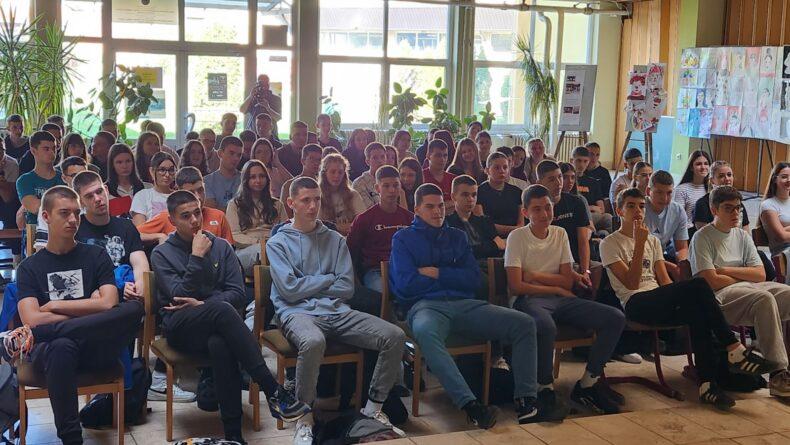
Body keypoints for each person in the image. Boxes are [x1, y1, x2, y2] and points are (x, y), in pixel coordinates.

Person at [151, 190, 308, 444]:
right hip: (181, 328)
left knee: (221, 344)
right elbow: (179, 296)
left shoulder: (221, 246)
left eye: (197, 212)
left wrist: (203, 304)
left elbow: (238, 294)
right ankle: (272, 389)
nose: (194, 220)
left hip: (219, 326)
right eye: (185, 216)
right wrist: (196, 256)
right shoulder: (162, 253)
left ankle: (234, 435)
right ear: (172, 220)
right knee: (223, 310)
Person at [600, 187, 774, 410]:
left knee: (697, 311)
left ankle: (707, 385)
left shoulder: (652, 241)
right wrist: (639, 245)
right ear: (619, 210)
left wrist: (680, 295)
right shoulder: (610, 243)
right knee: (699, 284)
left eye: (642, 206)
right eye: (631, 206)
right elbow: (632, 283)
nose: (638, 212)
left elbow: (664, 280)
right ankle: (734, 348)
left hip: (657, 297)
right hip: (635, 303)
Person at [389, 183, 543, 427]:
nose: (437, 211)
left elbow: (473, 279)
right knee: (427, 333)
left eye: (441, 206)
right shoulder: (403, 239)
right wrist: (453, 276)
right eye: (430, 207)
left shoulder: (457, 236)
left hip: (464, 303)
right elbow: (406, 284)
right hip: (425, 307)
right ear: (417, 210)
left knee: (523, 323)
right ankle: (471, 406)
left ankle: (527, 401)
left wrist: (437, 273)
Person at [267, 176, 406, 445]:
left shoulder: (335, 239)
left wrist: (310, 284)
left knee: (394, 335)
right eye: (305, 200)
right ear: (291, 203)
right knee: (313, 341)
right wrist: (327, 279)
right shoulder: (278, 243)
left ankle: (372, 409)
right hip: (296, 313)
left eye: (317, 199)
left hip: (337, 310)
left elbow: (346, 288)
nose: (312, 206)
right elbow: (289, 291)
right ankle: (304, 417)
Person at [4, 185, 145, 444]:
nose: (73, 220)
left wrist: (53, 306)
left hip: (94, 347)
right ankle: (72, 439)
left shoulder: (96, 255)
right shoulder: (29, 267)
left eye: (76, 213)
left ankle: (55, 333)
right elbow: (31, 320)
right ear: (46, 216)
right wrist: (90, 307)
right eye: (64, 213)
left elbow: (109, 303)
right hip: (52, 354)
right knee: (61, 345)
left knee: (134, 308)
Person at [506, 184, 625, 415]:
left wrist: (536, 276)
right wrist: (556, 287)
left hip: (560, 299)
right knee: (546, 326)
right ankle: (544, 387)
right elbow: (516, 285)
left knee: (615, 317)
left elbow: (567, 280)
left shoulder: (559, 233)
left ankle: (588, 383)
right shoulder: (517, 237)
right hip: (529, 299)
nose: (544, 214)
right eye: (537, 209)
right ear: (525, 212)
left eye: (548, 207)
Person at [690, 185, 790, 398]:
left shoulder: (742, 236)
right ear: (714, 210)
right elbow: (710, 281)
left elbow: (760, 274)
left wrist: (725, 269)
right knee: (764, 299)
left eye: (738, 208)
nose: (736, 213)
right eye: (729, 208)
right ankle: (778, 374)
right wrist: (744, 274)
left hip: (749, 287)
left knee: (787, 294)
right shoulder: (702, 237)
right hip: (720, 297)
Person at [73, 170, 149, 301]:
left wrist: (139, 287)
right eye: (89, 196)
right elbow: (77, 273)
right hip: (93, 296)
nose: (97, 199)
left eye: (99, 191)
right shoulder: (75, 230)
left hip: (127, 295)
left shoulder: (126, 226)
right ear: (80, 202)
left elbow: (139, 263)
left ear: (106, 190)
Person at [347, 165, 413, 292]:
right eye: (386, 186)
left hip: (404, 268)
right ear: (377, 188)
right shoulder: (364, 219)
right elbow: (350, 252)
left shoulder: (410, 218)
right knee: (382, 292)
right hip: (375, 271)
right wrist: (355, 281)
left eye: (395, 185)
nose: (392, 190)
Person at [138, 166, 234, 245]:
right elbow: (135, 234)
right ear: (179, 192)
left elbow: (229, 249)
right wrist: (159, 236)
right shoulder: (167, 217)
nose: (198, 197)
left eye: (200, 190)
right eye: (191, 192)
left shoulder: (219, 216)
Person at [536, 160, 594, 284]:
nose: (558, 183)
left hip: (575, 256)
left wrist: (585, 271)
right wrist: (572, 272)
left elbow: (583, 241)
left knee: (596, 269)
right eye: (552, 179)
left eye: (560, 177)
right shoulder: (536, 207)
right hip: (549, 260)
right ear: (539, 183)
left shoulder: (576, 202)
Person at [226, 160, 288, 274]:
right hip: (246, 250)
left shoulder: (277, 204)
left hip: (274, 247)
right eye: (253, 177)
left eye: (262, 176)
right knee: (264, 251)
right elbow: (233, 236)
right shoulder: (234, 204)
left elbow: (286, 232)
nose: (258, 180)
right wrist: (260, 242)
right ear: (246, 180)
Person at [32, 157, 88, 252]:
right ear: (64, 178)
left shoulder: (95, 202)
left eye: (83, 176)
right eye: (74, 176)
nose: (79, 180)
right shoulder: (50, 205)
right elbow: (42, 245)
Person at [446, 175, 504, 259]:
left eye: (474, 195)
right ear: (453, 196)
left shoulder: (485, 221)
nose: (470, 199)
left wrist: (475, 248)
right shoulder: (447, 223)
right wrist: (492, 246)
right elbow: (458, 252)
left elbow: (501, 245)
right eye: (465, 195)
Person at [643, 170, 689, 275]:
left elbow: (682, 247)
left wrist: (682, 264)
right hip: (639, 258)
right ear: (648, 191)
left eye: (669, 193)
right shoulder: (639, 209)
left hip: (661, 258)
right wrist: (671, 267)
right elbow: (637, 251)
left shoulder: (678, 211)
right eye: (659, 192)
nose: (664, 198)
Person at [16, 131, 64, 229]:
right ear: (33, 151)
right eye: (46, 149)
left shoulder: (64, 178)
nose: (52, 152)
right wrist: (62, 206)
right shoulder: (24, 180)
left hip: (60, 229)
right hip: (34, 232)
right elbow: (35, 207)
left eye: (54, 148)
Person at [693, 161, 749, 231]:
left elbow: (746, 231)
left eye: (729, 175)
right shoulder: (702, 204)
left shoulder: (737, 202)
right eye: (721, 176)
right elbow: (705, 234)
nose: (727, 179)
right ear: (712, 180)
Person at [477, 152, 524, 236]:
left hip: (515, 237)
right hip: (489, 238)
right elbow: (482, 224)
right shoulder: (478, 192)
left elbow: (521, 225)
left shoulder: (517, 192)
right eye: (497, 167)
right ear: (487, 170)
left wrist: (514, 231)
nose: (502, 171)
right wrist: (514, 229)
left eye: (505, 167)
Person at [318, 153, 365, 235]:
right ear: (324, 174)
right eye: (333, 172)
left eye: (340, 172)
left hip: (351, 236)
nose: (337, 175)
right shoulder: (317, 196)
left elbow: (363, 220)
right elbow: (316, 225)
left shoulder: (353, 194)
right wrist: (338, 227)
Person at [572, 146, 613, 234]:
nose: (581, 165)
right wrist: (590, 208)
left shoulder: (593, 182)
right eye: (579, 161)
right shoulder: (568, 180)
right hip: (575, 216)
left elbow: (601, 209)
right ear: (572, 160)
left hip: (593, 216)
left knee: (607, 221)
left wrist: (593, 209)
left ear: (588, 162)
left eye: (585, 161)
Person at [130, 151, 175, 226]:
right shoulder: (143, 195)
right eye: (162, 170)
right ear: (152, 171)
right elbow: (139, 229)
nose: (167, 174)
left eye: (171, 170)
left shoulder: (179, 196)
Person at [280, 144, 323, 218]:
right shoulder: (289, 185)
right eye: (311, 159)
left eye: (319, 160)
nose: (316, 163)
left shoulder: (322, 184)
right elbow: (285, 215)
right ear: (303, 161)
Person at [106, 143, 147, 217]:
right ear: (112, 165)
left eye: (128, 161)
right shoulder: (104, 191)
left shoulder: (146, 188)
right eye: (119, 162)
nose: (124, 166)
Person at [760, 162, 790, 262]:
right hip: (783, 255)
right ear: (774, 179)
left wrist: (785, 229)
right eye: (784, 177)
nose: (789, 180)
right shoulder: (768, 204)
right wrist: (783, 232)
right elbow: (782, 237)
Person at [675, 150, 712, 230]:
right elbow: (678, 218)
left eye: (706, 164)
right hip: (688, 232)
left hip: (710, 231)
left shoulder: (712, 189)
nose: (703, 167)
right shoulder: (681, 189)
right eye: (698, 164)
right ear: (691, 167)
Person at [204, 136, 243, 211]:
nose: (236, 158)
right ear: (220, 153)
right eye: (231, 153)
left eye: (239, 155)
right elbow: (212, 211)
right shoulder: (207, 181)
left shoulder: (245, 179)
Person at [0, 137, 21, 263]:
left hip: (7, 202)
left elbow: (8, 198)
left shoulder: (12, 164)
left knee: (13, 212)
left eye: (1, 150)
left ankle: (17, 259)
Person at [422, 139, 456, 213]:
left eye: (445, 155)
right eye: (438, 155)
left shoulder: (454, 179)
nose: (442, 159)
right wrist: (450, 204)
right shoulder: (420, 177)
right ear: (428, 156)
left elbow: (460, 203)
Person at [352, 142, 388, 209]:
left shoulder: (392, 179)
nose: (380, 161)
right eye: (375, 158)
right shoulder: (359, 183)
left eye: (382, 157)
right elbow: (368, 210)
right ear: (367, 161)